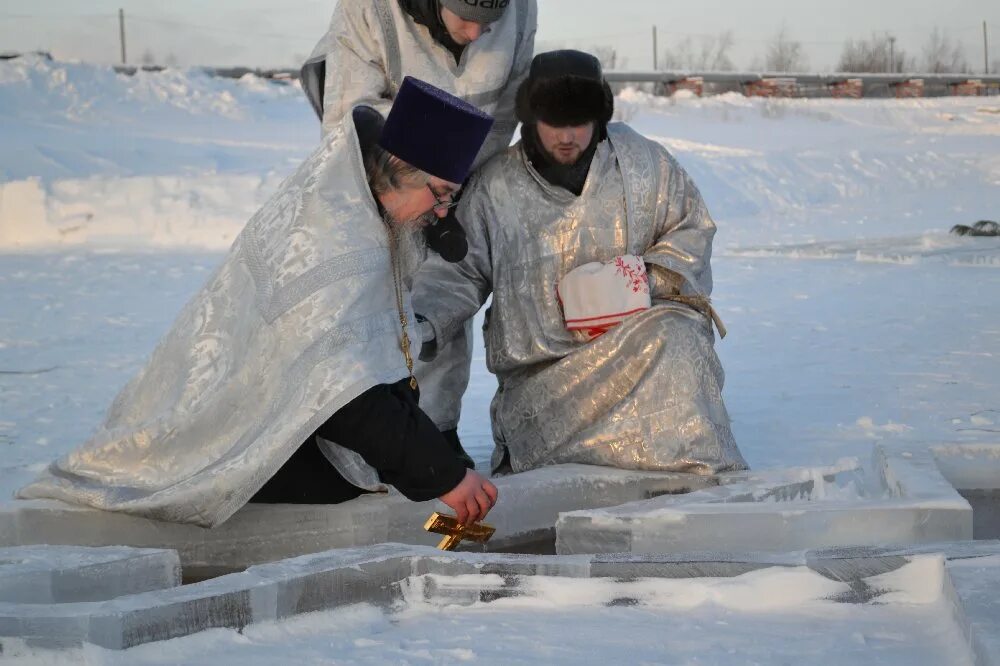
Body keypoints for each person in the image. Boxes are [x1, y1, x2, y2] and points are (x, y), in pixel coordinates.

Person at [18, 78, 498, 528]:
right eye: (438, 195)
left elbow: (377, 363)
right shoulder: (333, 240)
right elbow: (341, 389)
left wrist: (425, 459)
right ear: (396, 169)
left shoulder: (370, 218)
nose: (440, 214)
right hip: (224, 427)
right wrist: (439, 474)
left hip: (281, 414)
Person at [412, 51, 749, 476]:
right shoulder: (495, 188)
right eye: (555, 122)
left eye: (580, 122)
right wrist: (423, 321)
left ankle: (691, 486)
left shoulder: (645, 164)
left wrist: (635, 281)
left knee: (677, 335)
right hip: (543, 381)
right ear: (531, 119)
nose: (567, 136)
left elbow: (692, 228)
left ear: (600, 118)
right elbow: (455, 274)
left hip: (635, 346)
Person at [301, 0, 537, 460]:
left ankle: (435, 430)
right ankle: (369, 444)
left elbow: (503, 111)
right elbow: (350, 114)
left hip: (457, 179)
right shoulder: (369, 9)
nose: (475, 34)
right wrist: (414, 183)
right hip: (382, 178)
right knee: (372, 301)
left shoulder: (520, 8)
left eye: (487, 25)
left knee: (442, 294)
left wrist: (455, 189)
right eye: (465, 20)